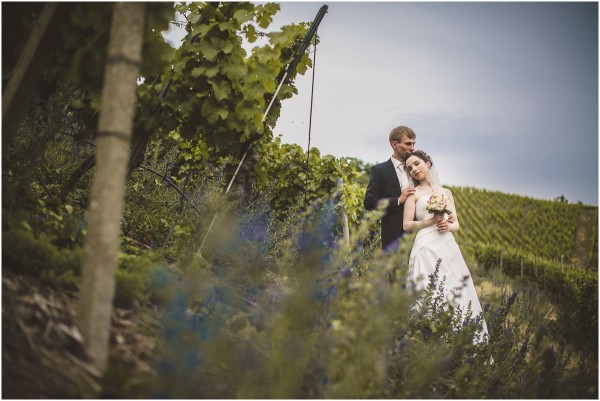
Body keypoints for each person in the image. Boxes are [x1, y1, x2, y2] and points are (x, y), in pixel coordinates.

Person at [402, 150, 488, 342]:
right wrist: (430, 221)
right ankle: (427, 340)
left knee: (455, 287)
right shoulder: (413, 194)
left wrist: (447, 225)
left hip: (447, 245)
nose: (414, 169)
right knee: (427, 291)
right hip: (425, 246)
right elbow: (407, 225)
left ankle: (461, 339)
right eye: (409, 168)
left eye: (417, 164)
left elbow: (456, 224)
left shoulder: (446, 193)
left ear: (428, 163)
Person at [363, 126, 417, 250]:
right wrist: (398, 200)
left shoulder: (418, 168)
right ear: (394, 144)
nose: (412, 148)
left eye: (413, 144)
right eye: (408, 144)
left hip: (419, 235)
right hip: (393, 238)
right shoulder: (379, 170)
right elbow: (369, 202)